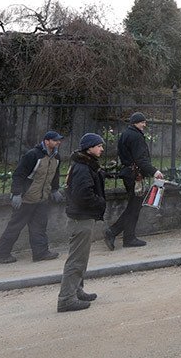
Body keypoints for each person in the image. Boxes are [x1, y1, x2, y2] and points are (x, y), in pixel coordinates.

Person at [0, 130, 65, 264]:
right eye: (55, 140)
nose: (58, 143)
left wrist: (55, 189)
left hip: (42, 198)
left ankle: (41, 253)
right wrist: (16, 194)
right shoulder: (33, 155)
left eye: (59, 140)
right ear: (47, 141)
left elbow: (55, 174)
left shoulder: (56, 157)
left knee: (40, 227)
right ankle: (2, 254)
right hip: (26, 199)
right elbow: (19, 174)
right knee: (15, 227)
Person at [57, 133, 107, 313]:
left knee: (81, 258)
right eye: (99, 145)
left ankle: (77, 290)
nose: (102, 149)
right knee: (76, 260)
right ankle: (66, 299)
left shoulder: (84, 165)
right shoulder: (83, 168)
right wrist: (100, 202)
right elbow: (83, 195)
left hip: (82, 217)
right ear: (89, 147)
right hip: (81, 219)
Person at [104, 112, 163, 249]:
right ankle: (115, 232)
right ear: (135, 122)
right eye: (142, 122)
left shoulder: (126, 134)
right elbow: (140, 159)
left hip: (129, 173)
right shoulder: (136, 136)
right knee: (134, 207)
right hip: (134, 175)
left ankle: (128, 237)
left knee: (134, 206)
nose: (144, 124)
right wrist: (154, 171)